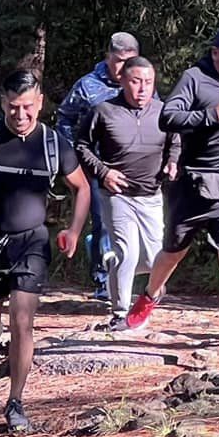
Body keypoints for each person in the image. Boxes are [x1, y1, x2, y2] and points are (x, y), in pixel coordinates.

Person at [0, 71, 89, 434]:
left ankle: (16, 402)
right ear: (2, 103)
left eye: (27, 107)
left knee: (23, 321)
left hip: (31, 243)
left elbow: (82, 189)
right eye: (12, 107)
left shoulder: (55, 145)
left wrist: (73, 230)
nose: (20, 115)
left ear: (40, 102)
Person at [123, 25, 219, 365]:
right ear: (215, 52)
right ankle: (149, 295)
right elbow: (168, 117)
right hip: (193, 185)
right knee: (173, 252)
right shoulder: (194, 78)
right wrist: (211, 115)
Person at [75, 56, 176, 331]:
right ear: (122, 81)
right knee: (127, 252)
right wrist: (103, 172)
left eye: (148, 82)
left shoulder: (163, 111)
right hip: (117, 195)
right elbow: (81, 145)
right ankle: (120, 313)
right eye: (135, 82)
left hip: (151, 194)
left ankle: (114, 268)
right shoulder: (104, 111)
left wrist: (173, 160)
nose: (142, 88)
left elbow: (175, 139)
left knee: (156, 257)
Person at [57, 32, 140, 298]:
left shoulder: (142, 84)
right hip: (94, 166)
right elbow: (64, 120)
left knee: (135, 224)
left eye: (130, 61)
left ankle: (131, 277)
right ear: (107, 57)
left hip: (133, 165)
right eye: (118, 61)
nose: (123, 68)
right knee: (104, 221)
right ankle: (104, 282)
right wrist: (74, 158)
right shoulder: (87, 86)